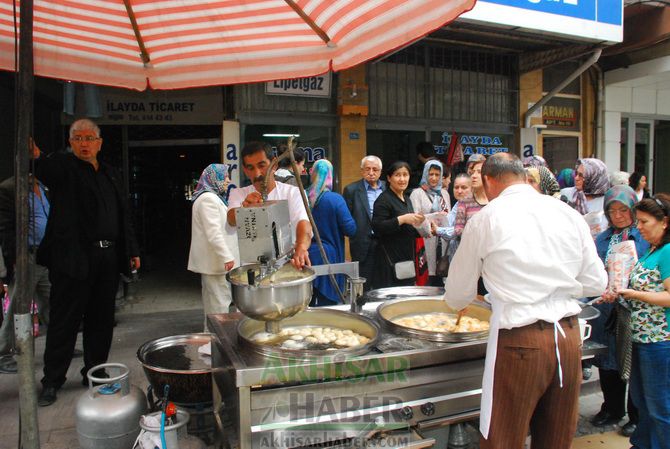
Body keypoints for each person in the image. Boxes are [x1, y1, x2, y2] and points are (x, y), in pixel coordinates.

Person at [444, 153, 607, 449]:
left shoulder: (487, 218)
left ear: (490, 181)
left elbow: (458, 293)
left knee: (504, 436)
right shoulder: (566, 212)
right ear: (523, 176)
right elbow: (597, 281)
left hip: (520, 339)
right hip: (568, 339)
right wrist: (556, 287)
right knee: (556, 437)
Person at [34, 119, 140, 406]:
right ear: (70, 143)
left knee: (102, 320)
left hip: (107, 257)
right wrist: (33, 154)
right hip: (72, 260)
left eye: (89, 138)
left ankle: (94, 370)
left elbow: (123, 216)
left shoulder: (110, 174)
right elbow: (43, 168)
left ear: (99, 142)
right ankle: (52, 381)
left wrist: (131, 250)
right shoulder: (64, 169)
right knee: (63, 322)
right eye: (78, 138)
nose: (84, 143)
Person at [606, 194, 670, 449]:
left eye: (644, 222)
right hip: (641, 339)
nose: (639, 227)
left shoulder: (666, 252)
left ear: (664, 222)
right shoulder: (651, 250)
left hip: (659, 340)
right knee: (642, 401)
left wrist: (634, 294)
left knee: (659, 405)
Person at [590, 185, 647, 436]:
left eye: (624, 210)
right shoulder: (602, 238)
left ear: (633, 210)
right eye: (612, 211)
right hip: (606, 308)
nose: (618, 215)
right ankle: (612, 408)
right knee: (607, 362)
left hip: (633, 308)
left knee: (631, 362)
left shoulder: (643, 236)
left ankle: (636, 415)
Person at [227, 142, 312, 269]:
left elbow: (303, 222)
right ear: (245, 170)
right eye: (250, 168)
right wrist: (244, 209)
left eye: (262, 166)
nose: (257, 174)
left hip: (289, 266)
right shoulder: (238, 194)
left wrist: (301, 246)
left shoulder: (293, 192)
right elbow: (231, 219)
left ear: (274, 165)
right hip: (252, 270)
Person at [0, 175, 52, 374]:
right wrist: (12, 258)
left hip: (45, 255)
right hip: (26, 257)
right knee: (17, 307)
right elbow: (5, 227)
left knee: (53, 301)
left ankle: (59, 344)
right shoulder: (10, 188)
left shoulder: (43, 187)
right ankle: (3, 352)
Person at [187, 164, 239, 331]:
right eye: (225, 177)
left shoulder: (212, 198)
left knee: (214, 307)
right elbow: (214, 233)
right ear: (214, 178)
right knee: (218, 307)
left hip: (216, 264)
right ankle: (217, 343)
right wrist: (227, 256)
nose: (228, 181)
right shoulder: (208, 199)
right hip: (216, 264)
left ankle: (212, 341)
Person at [305, 160, 356, 305]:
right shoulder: (335, 200)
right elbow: (350, 229)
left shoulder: (303, 197)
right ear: (330, 176)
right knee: (326, 306)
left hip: (304, 256)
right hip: (328, 258)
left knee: (306, 303)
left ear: (313, 174)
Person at [372, 161, 425, 288]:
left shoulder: (407, 199)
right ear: (389, 178)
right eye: (397, 175)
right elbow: (377, 226)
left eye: (405, 175)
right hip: (388, 258)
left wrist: (420, 223)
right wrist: (401, 219)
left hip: (406, 255)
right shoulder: (383, 200)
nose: (402, 179)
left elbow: (408, 227)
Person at [342, 156, 385, 291]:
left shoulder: (387, 187)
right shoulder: (351, 190)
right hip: (362, 243)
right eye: (367, 169)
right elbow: (346, 218)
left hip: (384, 242)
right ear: (361, 171)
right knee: (363, 285)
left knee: (383, 284)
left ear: (380, 171)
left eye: (375, 169)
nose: (371, 172)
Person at [410, 160, 450, 286]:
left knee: (441, 278)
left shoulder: (444, 193)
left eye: (437, 175)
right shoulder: (417, 193)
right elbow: (415, 219)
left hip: (442, 242)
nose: (433, 178)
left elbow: (449, 216)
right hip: (425, 241)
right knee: (427, 278)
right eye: (430, 174)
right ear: (425, 174)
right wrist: (431, 221)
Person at [561, 158, 610, 238]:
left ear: (594, 178)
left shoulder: (607, 201)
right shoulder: (566, 195)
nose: (576, 178)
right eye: (576, 174)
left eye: (581, 176)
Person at [435, 173, 471, 264]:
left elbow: (458, 231)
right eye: (456, 187)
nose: (459, 191)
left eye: (464, 187)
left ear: (472, 188)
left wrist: (438, 230)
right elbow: (449, 222)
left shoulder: (473, 206)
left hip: (468, 259)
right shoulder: (458, 204)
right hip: (455, 256)